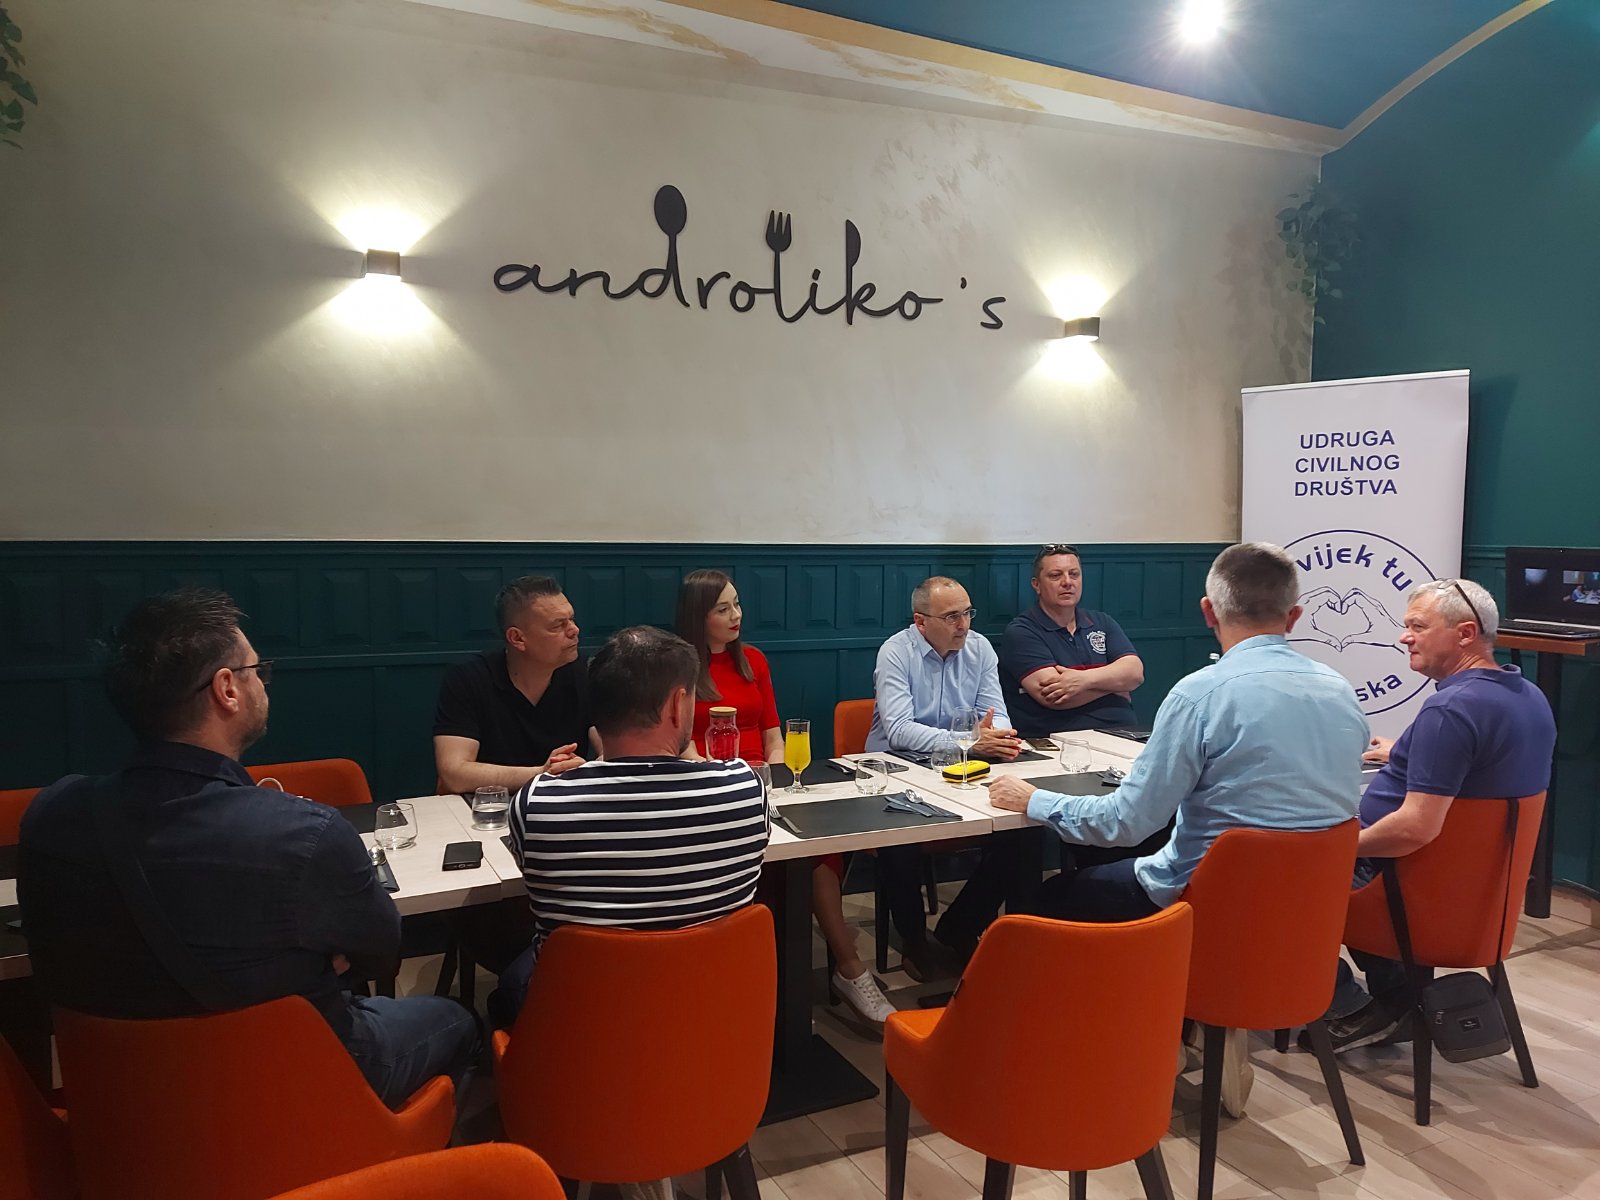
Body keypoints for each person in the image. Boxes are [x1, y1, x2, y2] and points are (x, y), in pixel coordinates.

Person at [17, 589, 479, 1112]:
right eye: (258, 670)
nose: (263, 682)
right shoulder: (305, 835)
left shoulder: (50, 815)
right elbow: (379, 951)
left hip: (121, 1103)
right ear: (227, 689)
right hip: (291, 1082)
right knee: (458, 1019)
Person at [989, 543, 1368, 1117]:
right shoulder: (1341, 691)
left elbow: (1124, 823)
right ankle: (1187, 1026)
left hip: (1204, 905)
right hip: (1303, 916)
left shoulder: (1200, 694)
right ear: (1294, 616)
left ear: (1208, 612)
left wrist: (1035, 799)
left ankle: (1102, 1055)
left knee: (1046, 901)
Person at [1316, 578, 1556, 1053]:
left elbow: (1413, 828)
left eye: (1418, 626)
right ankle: (1401, 997)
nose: (1404, 636)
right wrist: (1407, 753)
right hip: (1478, 897)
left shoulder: (1452, 708)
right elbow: (1482, 777)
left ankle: (1354, 1006)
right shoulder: (1526, 696)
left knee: (1278, 878)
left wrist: (1334, 847)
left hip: (1412, 897)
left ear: (1465, 633)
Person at [497, 625, 770, 1017]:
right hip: (713, 1021)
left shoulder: (537, 802)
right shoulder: (745, 788)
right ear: (677, 704)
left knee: (511, 982)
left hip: (581, 1031)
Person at [674, 569, 894, 1025]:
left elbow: (773, 733)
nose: (736, 615)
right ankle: (795, 977)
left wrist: (775, 775)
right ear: (698, 616)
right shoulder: (679, 667)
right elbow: (680, 744)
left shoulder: (753, 660)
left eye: (737, 604)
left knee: (819, 852)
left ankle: (847, 969)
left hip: (766, 779)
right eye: (722, 609)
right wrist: (725, 777)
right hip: (711, 781)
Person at [866, 577, 1025, 980]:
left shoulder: (980, 648)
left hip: (964, 767)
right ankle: (914, 940)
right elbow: (899, 730)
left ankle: (961, 927)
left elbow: (996, 716)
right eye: (952, 616)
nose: (964, 624)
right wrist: (969, 741)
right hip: (897, 768)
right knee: (901, 838)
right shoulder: (896, 652)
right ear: (921, 622)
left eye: (968, 613)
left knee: (1022, 831)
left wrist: (992, 737)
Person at [433, 575, 594, 795]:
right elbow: (454, 773)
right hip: (491, 808)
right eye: (558, 625)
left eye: (572, 619)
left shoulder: (587, 673)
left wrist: (585, 769)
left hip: (564, 803)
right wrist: (542, 774)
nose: (574, 630)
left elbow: (616, 752)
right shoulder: (469, 679)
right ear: (517, 638)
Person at [999, 544, 1144, 737]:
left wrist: (1083, 680)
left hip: (1122, 732)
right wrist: (1114, 686)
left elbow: (1135, 674)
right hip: (1058, 739)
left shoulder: (1101, 621)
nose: (1067, 582)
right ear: (1036, 584)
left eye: (1074, 574)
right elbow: (1054, 696)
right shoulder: (1022, 631)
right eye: (1055, 575)